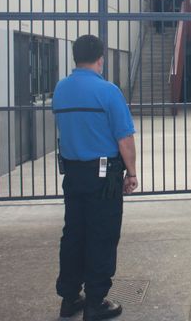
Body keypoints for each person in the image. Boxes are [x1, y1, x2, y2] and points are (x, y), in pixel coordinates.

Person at [52, 34, 139, 320]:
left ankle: (69, 298)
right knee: (101, 235)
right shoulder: (108, 91)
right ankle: (95, 302)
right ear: (101, 58)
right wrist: (132, 173)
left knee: (74, 234)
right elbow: (124, 138)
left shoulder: (61, 90)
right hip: (103, 177)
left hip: (73, 174)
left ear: (75, 57)